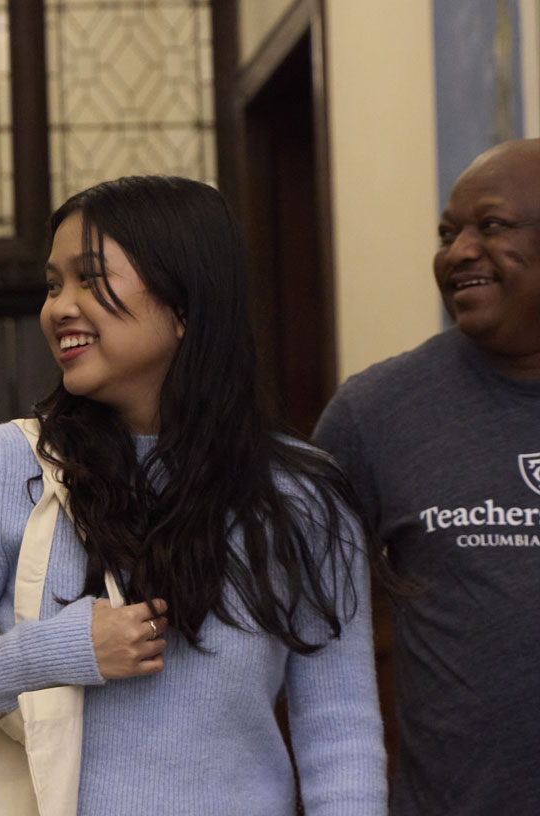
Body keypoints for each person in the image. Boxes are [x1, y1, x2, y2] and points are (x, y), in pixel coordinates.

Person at [0, 176, 385, 814]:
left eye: (89, 278)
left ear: (186, 301)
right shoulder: (10, 464)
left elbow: (340, 733)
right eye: (54, 284)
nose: (59, 307)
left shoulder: (302, 494)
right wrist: (59, 650)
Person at [312, 139, 540, 816]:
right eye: (447, 233)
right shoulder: (375, 413)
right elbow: (290, 611)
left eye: (490, 226)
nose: (458, 251)